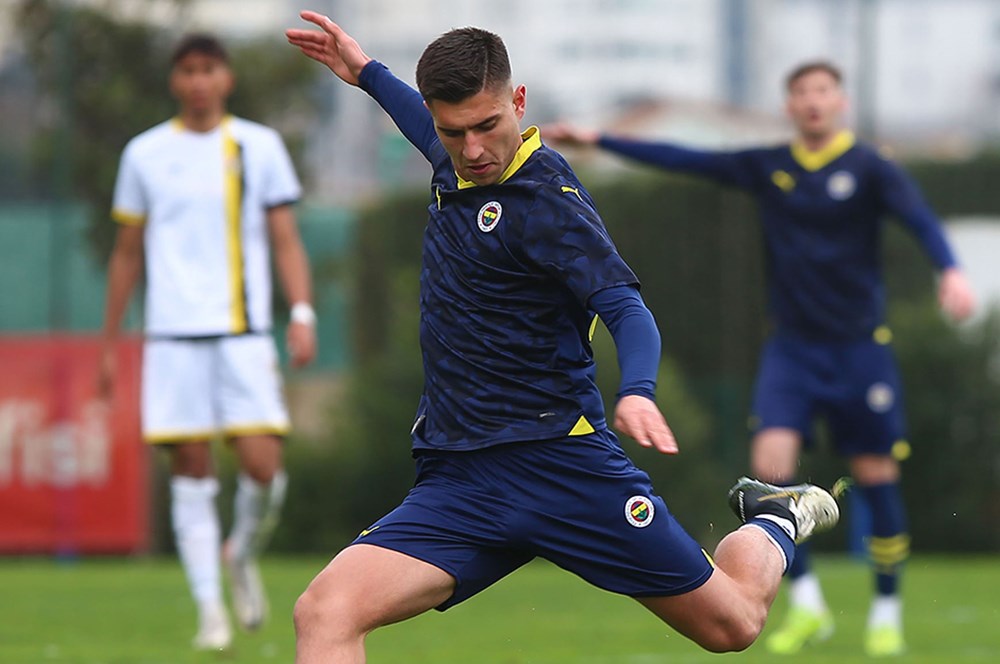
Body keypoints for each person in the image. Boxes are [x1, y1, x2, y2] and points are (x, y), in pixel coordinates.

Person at [285, 12, 840, 663]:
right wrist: (367, 73)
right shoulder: (457, 164)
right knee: (325, 611)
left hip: (563, 466)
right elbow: (421, 121)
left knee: (733, 626)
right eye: (452, 132)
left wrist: (636, 390)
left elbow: (627, 309)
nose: (472, 150)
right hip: (459, 477)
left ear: (518, 102)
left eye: (488, 126)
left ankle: (775, 516)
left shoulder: (551, 204)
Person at [543, 61, 976, 657]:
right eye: (801, 93)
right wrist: (598, 139)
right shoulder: (770, 165)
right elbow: (687, 158)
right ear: (791, 106)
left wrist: (950, 269)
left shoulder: (870, 167)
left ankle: (886, 613)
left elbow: (920, 219)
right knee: (769, 475)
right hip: (792, 350)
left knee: (876, 476)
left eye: (823, 91)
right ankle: (806, 606)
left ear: (839, 102)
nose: (813, 102)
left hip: (859, 348)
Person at [99, 34, 317, 651]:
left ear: (226, 78)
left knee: (263, 466)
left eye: (209, 70)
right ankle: (210, 614)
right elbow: (125, 254)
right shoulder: (143, 153)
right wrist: (111, 346)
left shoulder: (259, 145)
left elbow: (285, 240)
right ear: (175, 80)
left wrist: (301, 312)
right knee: (189, 472)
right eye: (188, 70)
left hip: (243, 335)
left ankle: (241, 553)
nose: (198, 81)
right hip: (171, 339)